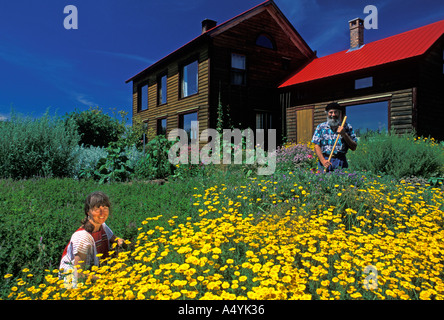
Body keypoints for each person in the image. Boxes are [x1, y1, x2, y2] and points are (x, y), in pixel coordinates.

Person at [59, 191, 125, 283]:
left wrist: (121, 243)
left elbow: (115, 239)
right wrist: (107, 281)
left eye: (105, 208)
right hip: (72, 283)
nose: (102, 213)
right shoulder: (82, 237)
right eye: (97, 209)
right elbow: (79, 273)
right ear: (88, 212)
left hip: (96, 274)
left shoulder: (103, 226)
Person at [312, 102, 358, 172]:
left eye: (335, 112)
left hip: (341, 161)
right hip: (325, 160)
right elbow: (316, 146)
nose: (333, 115)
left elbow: (353, 147)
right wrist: (323, 161)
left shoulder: (347, 127)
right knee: (323, 182)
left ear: (339, 113)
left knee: (341, 182)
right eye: (331, 112)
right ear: (327, 113)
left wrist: (344, 134)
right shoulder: (321, 127)